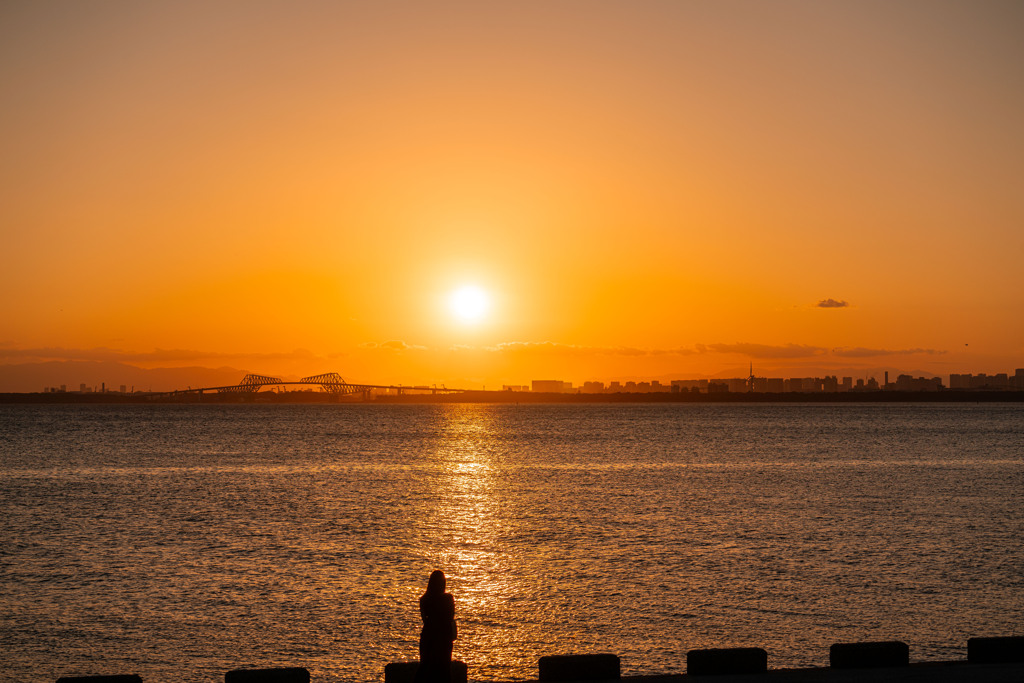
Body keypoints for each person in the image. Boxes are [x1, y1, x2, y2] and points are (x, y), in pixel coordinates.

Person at [415, 570, 456, 683]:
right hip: (444, 636)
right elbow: (451, 616)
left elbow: (424, 620)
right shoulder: (448, 598)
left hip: (428, 635)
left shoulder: (424, 599)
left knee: (424, 666)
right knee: (445, 669)